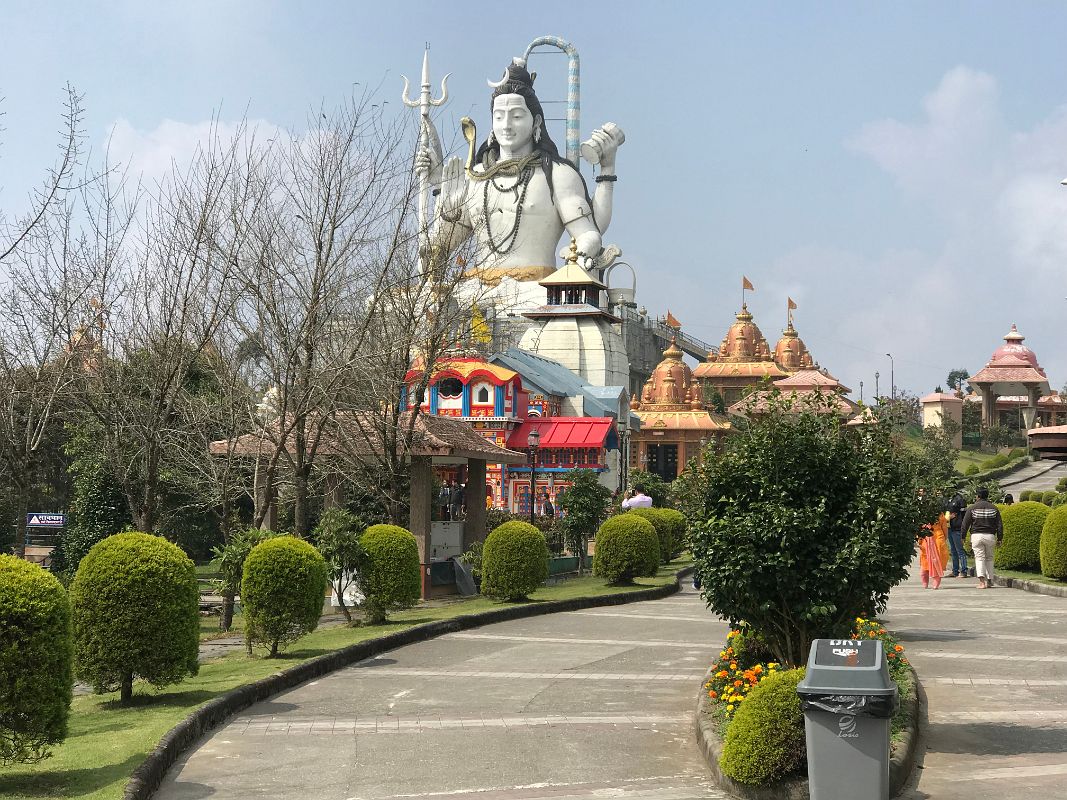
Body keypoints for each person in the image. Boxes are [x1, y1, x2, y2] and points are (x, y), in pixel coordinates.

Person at [420, 58, 624, 278]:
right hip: (476, 287)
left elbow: (589, 234)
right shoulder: (475, 177)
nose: (506, 126)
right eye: (499, 117)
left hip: (536, 287)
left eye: (516, 116)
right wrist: (445, 206)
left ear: (536, 122)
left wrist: (579, 259)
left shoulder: (557, 175)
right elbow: (433, 257)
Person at [962, 486, 1003, 589]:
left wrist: (963, 537)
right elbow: (999, 525)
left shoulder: (972, 508)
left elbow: (965, 524)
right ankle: (989, 581)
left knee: (979, 558)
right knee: (989, 558)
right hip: (990, 536)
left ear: (978, 496)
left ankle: (982, 582)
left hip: (976, 536)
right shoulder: (994, 508)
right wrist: (1000, 538)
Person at [918, 504, 950, 589]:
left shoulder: (939, 515)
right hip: (928, 537)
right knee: (928, 559)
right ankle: (929, 580)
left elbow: (944, 528)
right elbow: (945, 529)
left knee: (933, 559)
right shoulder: (923, 514)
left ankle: (931, 580)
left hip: (935, 538)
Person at [947, 492, 969, 578]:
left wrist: (957, 518)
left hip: (957, 528)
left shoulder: (959, 499)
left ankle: (964, 570)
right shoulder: (947, 498)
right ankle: (955, 570)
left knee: (960, 550)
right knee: (953, 550)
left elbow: (964, 514)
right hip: (949, 527)